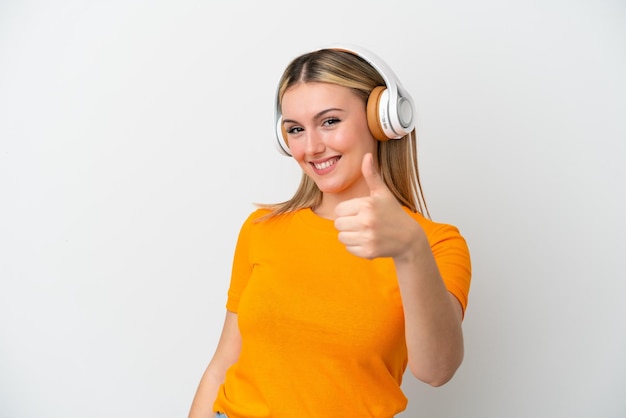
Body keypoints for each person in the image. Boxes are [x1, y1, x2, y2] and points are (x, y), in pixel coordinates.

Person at [188, 44, 472, 418]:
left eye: (330, 121)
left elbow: (437, 371)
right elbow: (223, 363)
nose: (312, 147)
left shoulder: (435, 244)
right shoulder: (262, 229)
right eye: (295, 130)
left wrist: (409, 251)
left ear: (380, 120)